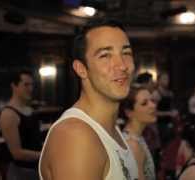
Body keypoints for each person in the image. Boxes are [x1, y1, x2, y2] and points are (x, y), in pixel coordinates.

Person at [39, 18, 138, 180]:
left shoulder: (112, 129)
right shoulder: (76, 137)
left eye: (126, 53)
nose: (122, 65)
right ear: (81, 69)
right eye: (105, 55)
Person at [0, 70, 42, 180]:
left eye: (32, 85)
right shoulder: (9, 114)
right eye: (26, 85)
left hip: (37, 169)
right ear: (14, 86)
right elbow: (17, 153)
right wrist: (45, 155)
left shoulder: (30, 109)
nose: (30, 89)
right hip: (21, 173)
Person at [120, 85, 157, 180]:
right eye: (144, 103)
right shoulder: (133, 145)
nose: (153, 106)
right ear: (129, 112)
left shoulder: (137, 137)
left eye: (152, 101)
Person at [152, 72, 178, 145]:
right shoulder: (156, 94)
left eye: (168, 79)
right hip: (160, 125)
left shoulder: (170, 93)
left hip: (170, 124)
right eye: (164, 79)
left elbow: (171, 107)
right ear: (159, 80)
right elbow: (154, 112)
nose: (167, 81)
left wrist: (174, 112)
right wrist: (169, 113)